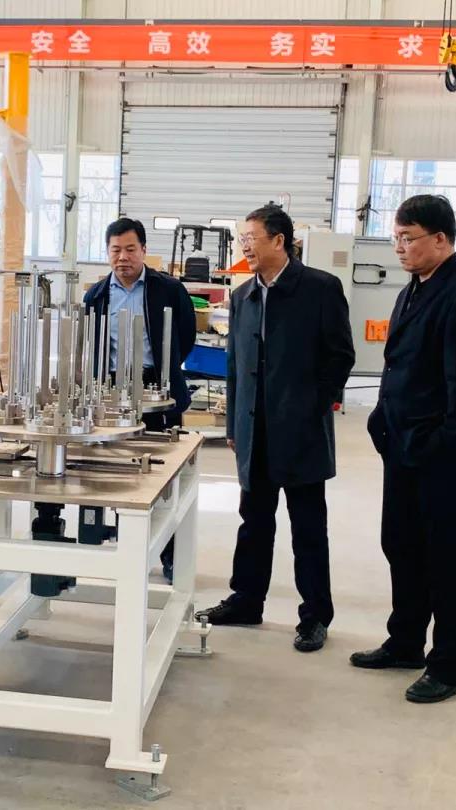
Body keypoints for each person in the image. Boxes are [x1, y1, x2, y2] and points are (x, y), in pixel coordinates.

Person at [352, 195, 456, 703]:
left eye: (407, 238)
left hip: (444, 452)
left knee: (446, 557)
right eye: (396, 237)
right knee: (402, 544)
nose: (399, 247)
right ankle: (406, 642)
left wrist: (439, 443)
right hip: (403, 443)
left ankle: (449, 666)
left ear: (440, 239)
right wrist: (381, 416)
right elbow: (399, 363)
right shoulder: (414, 287)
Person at [196, 204, 355, 653]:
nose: (244, 246)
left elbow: (340, 356)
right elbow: (234, 365)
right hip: (254, 429)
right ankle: (247, 600)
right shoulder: (243, 296)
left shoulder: (320, 289)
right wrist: (234, 423)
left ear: (279, 240)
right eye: (242, 239)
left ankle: (315, 615)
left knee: (308, 527)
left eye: (251, 238)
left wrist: (311, 408)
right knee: (253, 520)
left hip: (301, 431)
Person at [83, 218, 197, 581]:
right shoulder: (96, 295)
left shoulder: (169, 289)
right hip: (114, 391)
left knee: (164, 474)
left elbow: (186, 336)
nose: (123, 257)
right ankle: (129, 550)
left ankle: (171, 554)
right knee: (121, 472)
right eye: (115, 250)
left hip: (158, 388)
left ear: (144, 250)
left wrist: (165, 374)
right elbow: (92, 346)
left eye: (130, 249)